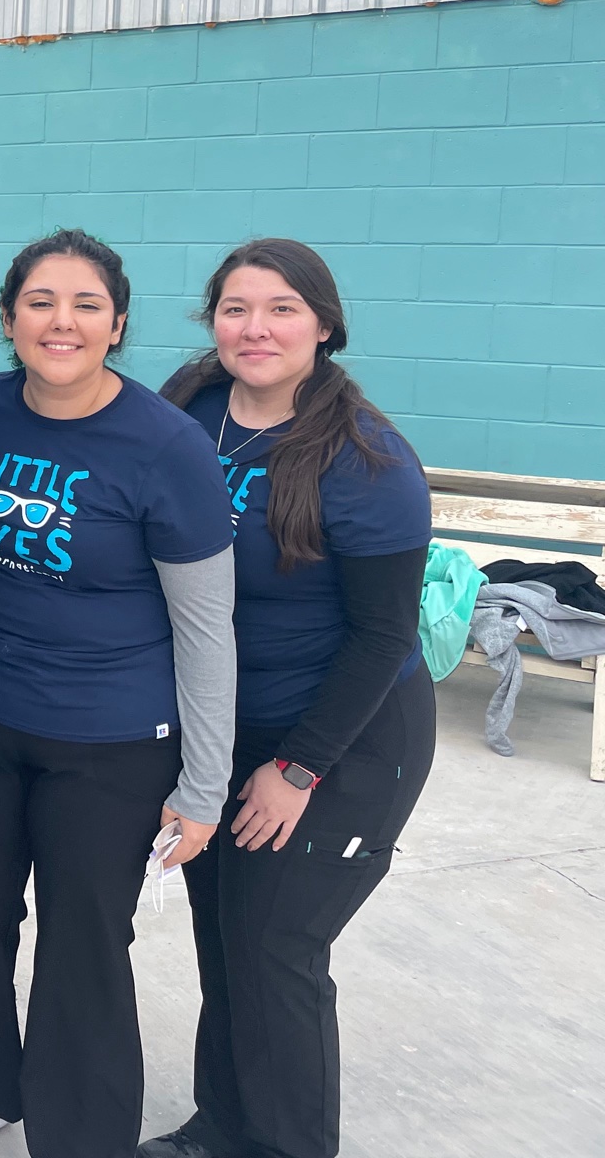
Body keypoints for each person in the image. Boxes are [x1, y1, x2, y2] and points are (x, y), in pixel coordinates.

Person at [0, 229, 238, 1158]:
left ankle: (80, 1135)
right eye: (41, 301)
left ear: (117, 324)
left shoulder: (167, 447)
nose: (62, 321)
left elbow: (207, 632)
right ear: (8, 319)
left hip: (113, 739)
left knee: (83, 943)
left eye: (87, 305)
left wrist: (204, 786)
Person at [141, 240, 435, 1158]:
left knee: (277, 951)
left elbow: (383, 636)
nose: (255, 328)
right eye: (236, 307)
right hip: (222, 724)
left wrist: (296, 768)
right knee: (226, 938)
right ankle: (221, 1126)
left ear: (324, 324)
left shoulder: (367, 458)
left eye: (281, 309)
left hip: (341, 735)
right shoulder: (188, 403)